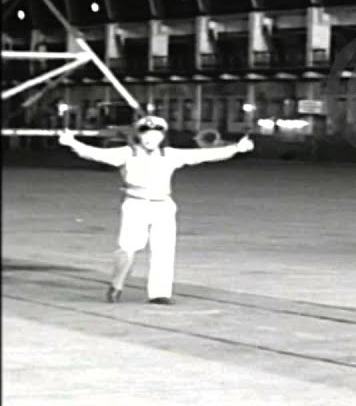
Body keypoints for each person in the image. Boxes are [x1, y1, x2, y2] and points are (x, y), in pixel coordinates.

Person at [58, 115, 254, 305]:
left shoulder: (170, 155)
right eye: (146, 134)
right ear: (139, 136)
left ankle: (159, 294)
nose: (151, 138)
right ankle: (116, 284)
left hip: (163, 206)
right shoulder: (127, 153)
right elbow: (96, 154)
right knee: (128, 248)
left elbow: (203, 155)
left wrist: (237, 148)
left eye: (156, 134)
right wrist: (72, 143)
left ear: (162, 137)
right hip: (136, 204)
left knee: (164, 250)